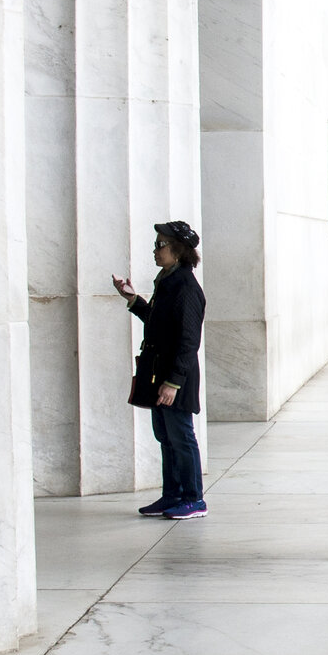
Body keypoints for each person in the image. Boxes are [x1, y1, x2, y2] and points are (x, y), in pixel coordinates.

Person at [113, 221, 207, 518]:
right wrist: (132, 299)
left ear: (178, 251)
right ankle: (173, 495)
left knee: (181, 436)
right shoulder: (167, 281)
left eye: (161, 245)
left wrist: (173, 382)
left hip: (174, 377)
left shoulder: (185, 287)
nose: (156, 251)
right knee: (165, 436)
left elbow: (188, 340)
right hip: (160, 372)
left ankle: (194, 499)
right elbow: (156, 321)